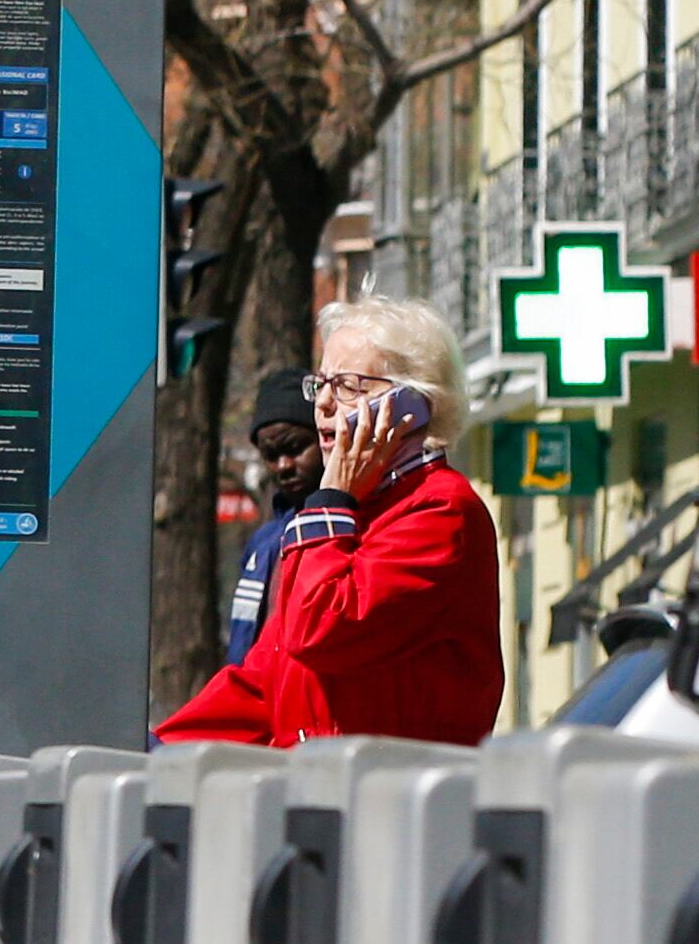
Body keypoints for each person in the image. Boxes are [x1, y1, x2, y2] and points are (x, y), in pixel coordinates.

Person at [157, 295, 504, 748]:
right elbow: (263, 684)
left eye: (346, 386)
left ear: (411, 407)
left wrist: (331, 498)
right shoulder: (353, 512)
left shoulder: (439, 510)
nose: (321, 403)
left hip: (395, 801)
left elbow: (324, 629)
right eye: (319, 384)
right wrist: (153, 750)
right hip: (322, 793)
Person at [220, 378, 325, 667]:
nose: (284, 466)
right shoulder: (263, 542)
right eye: (271, 456)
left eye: (295, 448)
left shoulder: (351, 526)